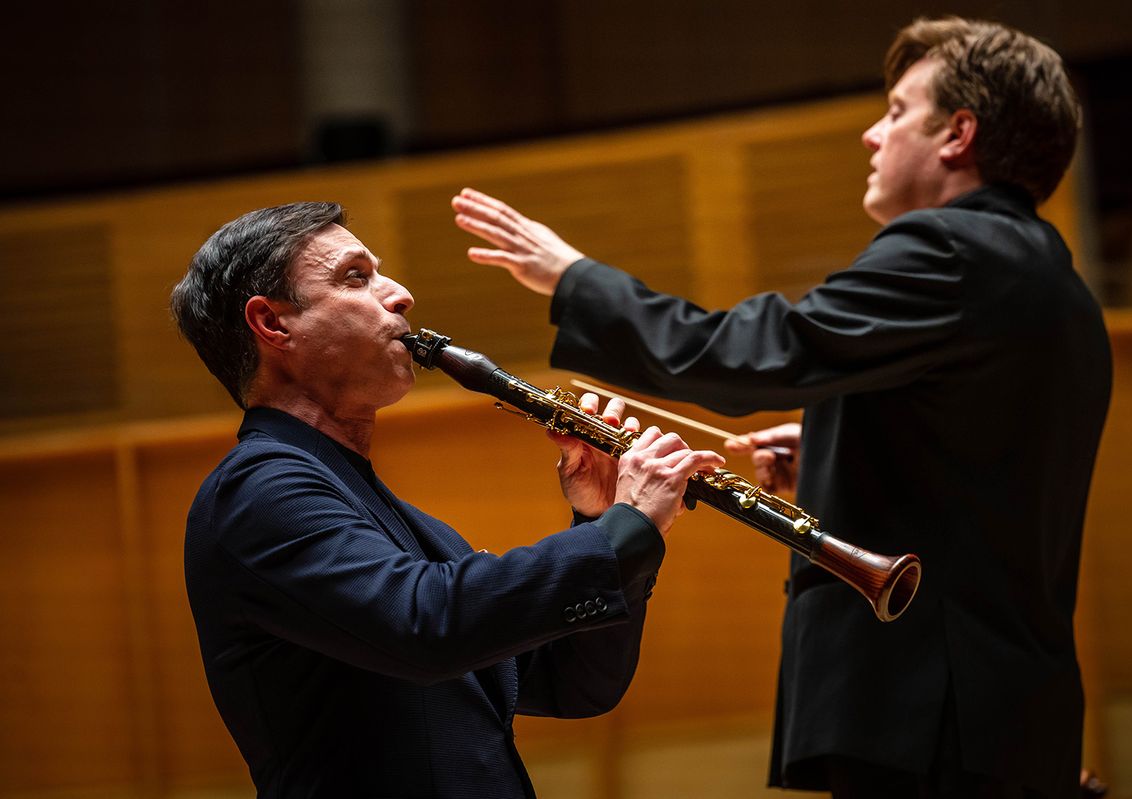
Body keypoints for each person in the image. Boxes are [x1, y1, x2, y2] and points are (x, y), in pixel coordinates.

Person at [450, 16, 1111, 799]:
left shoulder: (951, 250)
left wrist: (572, 278)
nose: (872, 134)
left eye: (898, 110)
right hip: (999, 706)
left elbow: (750, 354)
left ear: (958, 134)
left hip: (930, 712)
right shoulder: (1055, 284)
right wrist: (836, 448)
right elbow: (984, 465)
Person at [169, 201, 724, 798]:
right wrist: (624, 529)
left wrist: (599, 518)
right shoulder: (259, 491)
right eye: (355, 276)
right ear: (273, 325)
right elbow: (426, 624)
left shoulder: (397, 519)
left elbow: (574, 686)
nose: (401, 294)